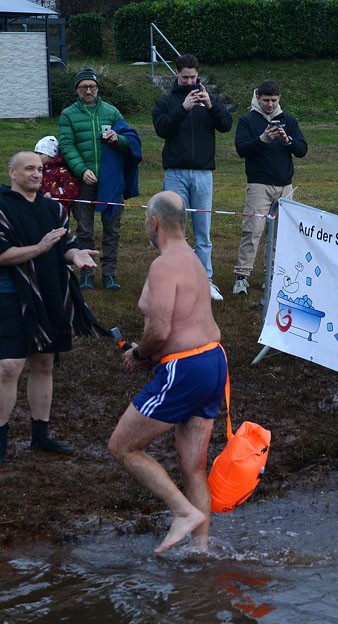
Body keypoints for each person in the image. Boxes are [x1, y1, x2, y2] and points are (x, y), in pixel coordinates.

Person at [108, 191, 225, 556]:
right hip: (213, 361)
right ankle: (200, 552)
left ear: (154, 222)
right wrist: (149, 354)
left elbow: (160, 330)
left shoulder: (163, 265)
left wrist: (139, 354)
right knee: (194, 468)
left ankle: (182, 512)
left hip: (185, 368)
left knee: (123, 446)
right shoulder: (193, 260)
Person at [0, 151, 108, 466]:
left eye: (40, 169)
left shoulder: (53, 209)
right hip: (12, 297)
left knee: (45, 363)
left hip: (50, 293)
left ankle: (41, 434)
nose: (37, 174)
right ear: (12, 172)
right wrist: (40, 247)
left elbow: (66, 245)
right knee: (10, 366)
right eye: (29, 169)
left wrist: (76, 256)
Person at [153, 54, 233, 302]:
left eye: (193, 77)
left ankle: (205, 280)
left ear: (198, 75)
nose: (189, 82)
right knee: (174, 230)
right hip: (175, 173)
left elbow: (226, 125)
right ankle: (175, 280)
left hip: (203, 174)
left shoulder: (209, 100)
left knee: (203, 231)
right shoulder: (166, 102)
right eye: (185, 77)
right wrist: (183, 108)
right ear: (177, 74)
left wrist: (211, 105)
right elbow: (162, 129)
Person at [58, 67, 142, 291]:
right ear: (77, 90)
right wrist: (81, 170)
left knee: (112, 230)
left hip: (111, 183)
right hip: (83, 182)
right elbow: (67, 145)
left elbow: (129, 139)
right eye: (84, 87)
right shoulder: (68, 115)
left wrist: (118, 139)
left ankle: (110, 274)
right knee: (84, 229)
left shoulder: (111, 112)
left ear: (97, 89)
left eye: (92, 86)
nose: (88, 90)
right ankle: (87, 273)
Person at [233, 79, 308, 295]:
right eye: (266, 100)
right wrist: (263, 139)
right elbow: (241, 149)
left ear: (279, 99)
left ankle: (274, 275)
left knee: (280, 235)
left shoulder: (289, 121)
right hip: (259, 185)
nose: (270, 105)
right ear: (258, 98)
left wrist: (287, 140)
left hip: (285, 186)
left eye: (274, 100)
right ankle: (242, 277)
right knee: (252, 231)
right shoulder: (247, 120)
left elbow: (302, 149)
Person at [33, 135, 80, 204]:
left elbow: (72, 189)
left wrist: (53, 193)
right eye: (36, 153)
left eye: (41, 153)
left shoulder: (61, 171)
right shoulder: (39, 170)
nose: (37, 156)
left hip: (57, 207)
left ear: (51, 154)